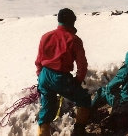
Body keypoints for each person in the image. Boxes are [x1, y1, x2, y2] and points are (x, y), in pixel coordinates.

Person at [35, 8, 91, 136]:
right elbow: (82, 65)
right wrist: (76, 81)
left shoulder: (46, 36)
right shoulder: (74, 39)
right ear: (72, 22)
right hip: (61, 78)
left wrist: (40, 76)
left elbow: (39, 60)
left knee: (47, 109)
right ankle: (79, 131)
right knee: (84, 99)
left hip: (44, 75)